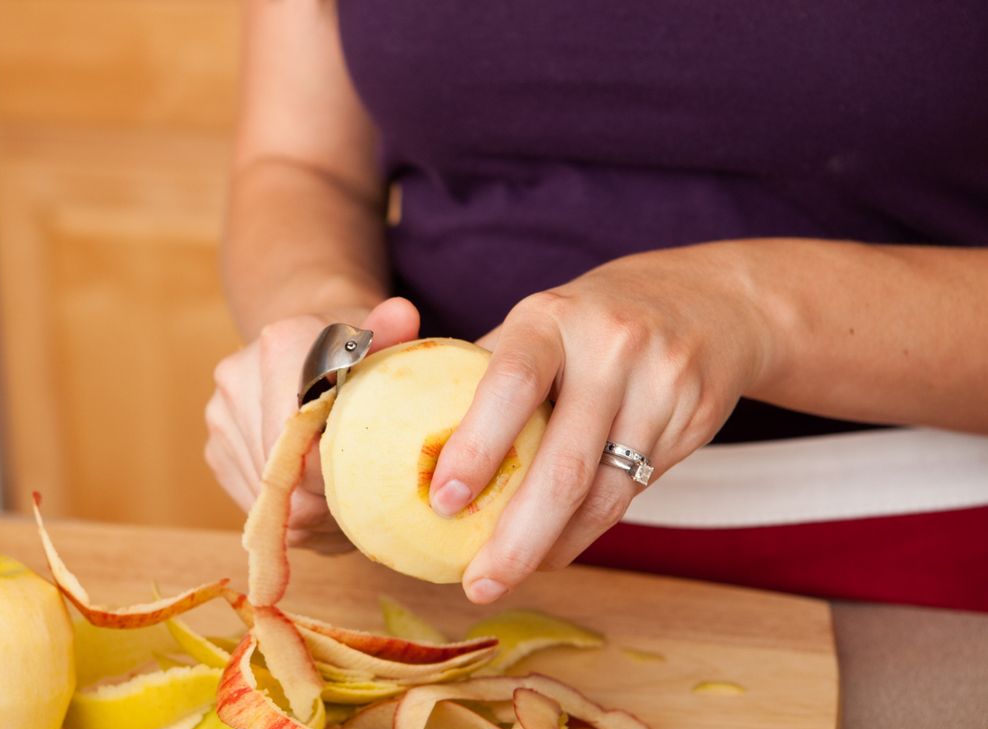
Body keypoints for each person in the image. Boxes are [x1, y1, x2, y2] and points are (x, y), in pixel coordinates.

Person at [204, 1, 988, 612]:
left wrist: (753, 308)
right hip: (441, 583)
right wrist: (327, 354)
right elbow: (298, 164)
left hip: (913, 577)